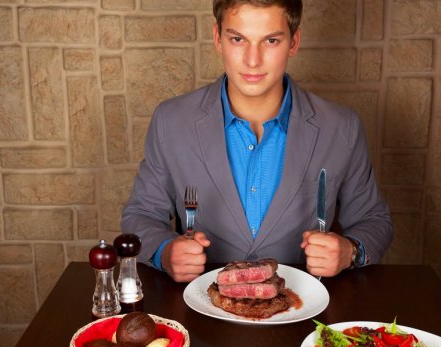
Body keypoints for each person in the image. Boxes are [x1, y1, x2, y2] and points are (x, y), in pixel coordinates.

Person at [121, 0, 393, 282]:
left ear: (293, 42)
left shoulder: (341, 127)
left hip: (303, 311)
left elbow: (374, 220)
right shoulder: (171, 121)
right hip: (200, 311)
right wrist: (165, 252)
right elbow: (141, 215)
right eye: (238, 39)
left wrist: (351, 251)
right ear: (218, 38)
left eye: (271, 40)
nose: (253, 60)